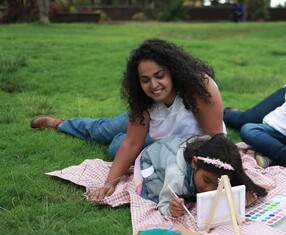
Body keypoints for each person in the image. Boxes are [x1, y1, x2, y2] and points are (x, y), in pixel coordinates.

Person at [32, 38, 226, 197]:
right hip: (156, 131)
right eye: (145, 80)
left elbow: (215, 138)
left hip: (169, 146)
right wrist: (109, 185)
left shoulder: (198, 87)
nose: (154, 85)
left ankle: (118, 136)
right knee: (105, 129)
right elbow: (132, 144)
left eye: (160, 75)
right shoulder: (144, 99)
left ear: (173, 71)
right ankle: (60, 124)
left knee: (116, 147)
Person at [89, 134, 268, 217]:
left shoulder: (217, 161)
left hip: (173, 148)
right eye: (206, 181)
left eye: (217, 184)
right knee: (155, 193)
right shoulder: (176, 174)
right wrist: (171, 210)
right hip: (150, 162)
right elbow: (164, 205)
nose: (210, 189)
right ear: (194, 163)